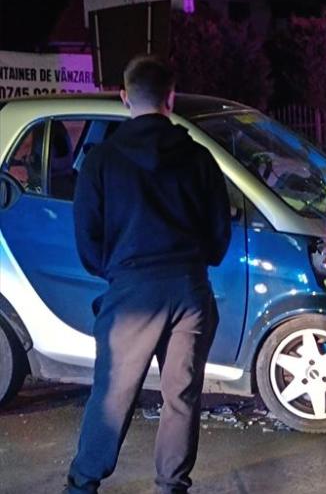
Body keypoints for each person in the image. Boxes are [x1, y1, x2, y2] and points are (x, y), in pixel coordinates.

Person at [66, 55, 231, 493]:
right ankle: (171, 486)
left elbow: (87, 236)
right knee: (181, 398)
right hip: (189, 289)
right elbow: (219, 230)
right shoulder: (199, 158)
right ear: (171, 98)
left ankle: (82, 485)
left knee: (112, 396)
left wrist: (117, 271)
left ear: (125, 98)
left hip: (132, 292)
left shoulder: (101, 161)